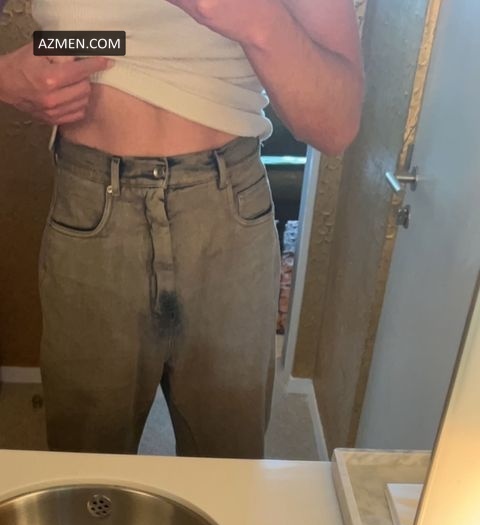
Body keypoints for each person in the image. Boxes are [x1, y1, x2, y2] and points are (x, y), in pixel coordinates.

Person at [0, 0, 363, 457]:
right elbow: (112, 47)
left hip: (226, 215)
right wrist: (7, 74)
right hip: (92, 206)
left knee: (228, 466)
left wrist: (258, 18)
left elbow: (335, 124)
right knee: (88, 472)